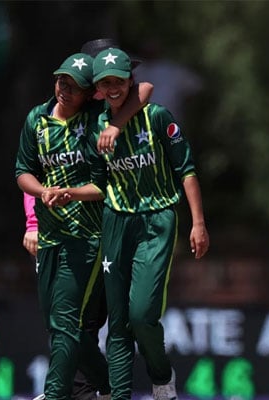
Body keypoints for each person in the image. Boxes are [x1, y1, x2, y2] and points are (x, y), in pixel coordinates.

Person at [47, 48, 210, 400]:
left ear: (128, 80)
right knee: (117, 324)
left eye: (119, 81)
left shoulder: (156, 117)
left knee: (141, 316)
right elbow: (95, 181)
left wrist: (198, 223)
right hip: (116, 220)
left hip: (156, 220)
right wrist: (68, 193)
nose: (114, 88)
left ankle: (161, 374)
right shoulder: (94, 125)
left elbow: (187, 171)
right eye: (106, 83)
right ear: (99, 89)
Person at [15, 49, 152, 400]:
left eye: (74, 86)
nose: (65, 89)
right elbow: (24, 173)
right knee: (59, 324)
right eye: (62, 81)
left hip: (88, 238)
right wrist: (42, 198)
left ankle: (55, 394)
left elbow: (145, 89)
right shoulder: (36, 120)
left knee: (70, 324)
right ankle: (107, 387)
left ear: (88, 93)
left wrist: (71, 193)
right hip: (49, 236)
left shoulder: (95, 120)